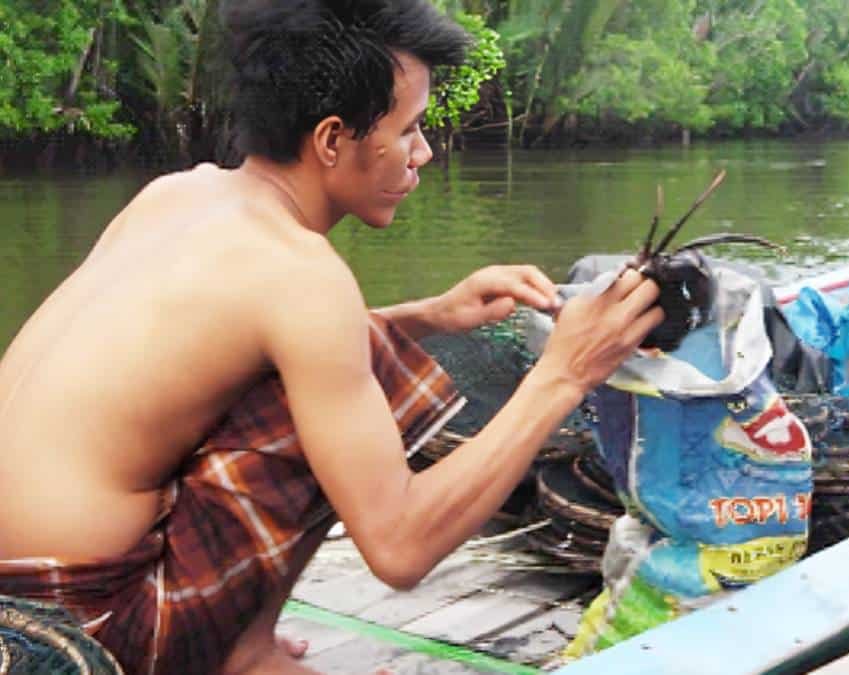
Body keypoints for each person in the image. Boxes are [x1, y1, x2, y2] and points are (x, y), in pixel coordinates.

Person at [0, 1, 663, 673]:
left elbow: (218, 347)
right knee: (363, 366)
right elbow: (400, 547)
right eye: (408, 131)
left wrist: (432, 313)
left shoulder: (179, 193)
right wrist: (565, 371)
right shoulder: (306, 279)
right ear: (330, 141)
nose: (424, 153)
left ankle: (240, 642)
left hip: (20, 586)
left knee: (343, 358)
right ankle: (244, 655)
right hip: (84, 624)